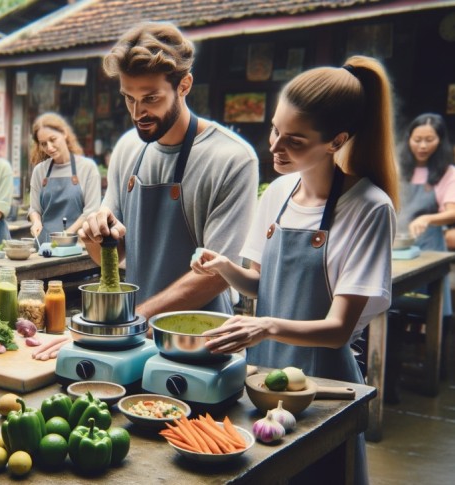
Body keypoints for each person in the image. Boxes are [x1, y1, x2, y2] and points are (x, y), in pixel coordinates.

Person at [191, 56, 399, 485]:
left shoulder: (369, 208)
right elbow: (264, 286)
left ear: (335, 140)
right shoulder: (279, 192)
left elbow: (338, 328)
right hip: (262, 378)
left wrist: (264, 327)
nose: (275, 148)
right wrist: (226, 267)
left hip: (322, 386)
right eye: (274, 130)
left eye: (295, 141)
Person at [78, 22, 258, 318]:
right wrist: (93, 237)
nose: (138, 113)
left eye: (151, 98)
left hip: (201, 336)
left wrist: (133, 321)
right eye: (129, 98)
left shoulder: (232, 158)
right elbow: (113, 253)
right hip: (137, 328)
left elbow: (215, 276)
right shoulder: (127, 148)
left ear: (184, 86)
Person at [389, 113, 455, 394]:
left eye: (429, 140)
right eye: (417, 139)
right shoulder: (398, 168)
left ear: (440, 142)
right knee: (389, 303)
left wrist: (429, 219)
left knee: (432, 306)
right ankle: (389, 371)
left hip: (429, 252)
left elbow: (452, 210)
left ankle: (430, 370)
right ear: (409, 139)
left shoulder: (447, 172)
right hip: (397, 250)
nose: (423, 145)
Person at [28, 113, 102, 242]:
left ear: (64, 133)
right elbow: (34, 208)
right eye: (44, 144)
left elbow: (91, 211)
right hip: (45, 245)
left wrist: (67, 234)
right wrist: (36, 222)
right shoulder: (39, 171)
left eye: (53, 139)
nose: (49, 148)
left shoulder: (87, 168)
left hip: (79, 245)